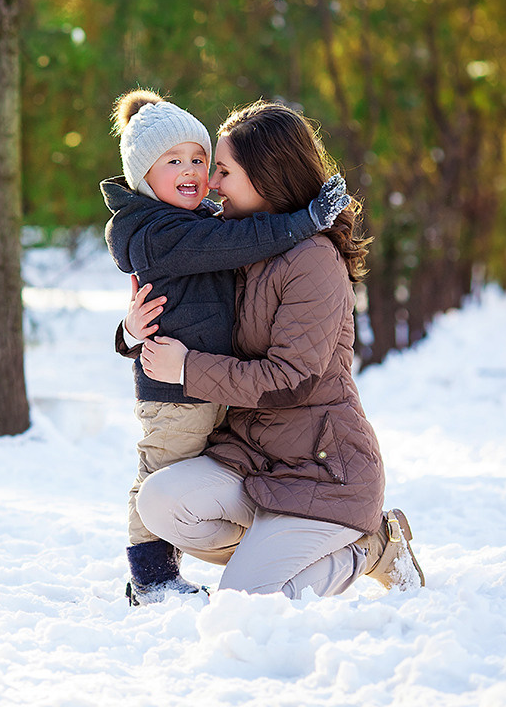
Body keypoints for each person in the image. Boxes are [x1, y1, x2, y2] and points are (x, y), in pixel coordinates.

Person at [129, 98, 425, 600]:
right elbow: (178, 308)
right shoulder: (228, 242)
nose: (212, 183)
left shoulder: (312, 260)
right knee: (158, 502)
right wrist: (130, 330)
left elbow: (292, 379)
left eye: (222, 170)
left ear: (265, 177)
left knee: (249, 605)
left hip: (319, 471)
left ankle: (372, 545)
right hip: (252, 458)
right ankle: (274, 547)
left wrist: (188, 369)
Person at [101, 90, 351, 605]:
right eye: (177, 162)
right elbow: (231, 246)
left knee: (178, 483)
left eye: (207, 162)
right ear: (143, 176)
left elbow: (286, 372)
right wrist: (305, 218)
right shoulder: (166, 231)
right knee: (160, 472)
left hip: (291, 442)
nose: (203, 177)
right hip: (181, 396)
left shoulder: (275, 250)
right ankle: (150, 575)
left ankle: (324, 545)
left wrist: (138, 337)